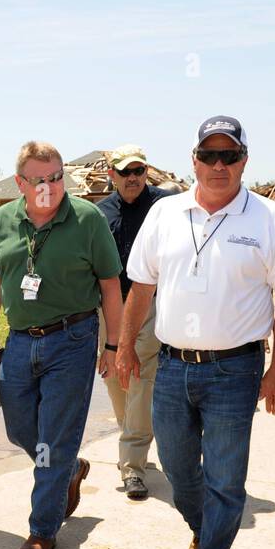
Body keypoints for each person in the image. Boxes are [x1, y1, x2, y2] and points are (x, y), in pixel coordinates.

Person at [118, 116, 275, 549]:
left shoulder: (270, 219)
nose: (218, 165)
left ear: (244, 160)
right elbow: (141, 286)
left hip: (236, 370)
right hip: (173, 367)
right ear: (193, 160)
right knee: (179, 471)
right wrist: (124, 345)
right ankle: (208, 531)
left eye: (229, 156)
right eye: (209, 156)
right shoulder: (165, 213)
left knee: (226, 476)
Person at [0, 141, 123, 549]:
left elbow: (111, 286)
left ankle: (42, 528)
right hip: (20, 339)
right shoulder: (2, 220)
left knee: (54, 440)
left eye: (57, 177)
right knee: (21, 430)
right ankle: (70, 469)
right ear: (21, 183)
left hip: (73, 339)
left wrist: (112, 344)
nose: (51, 186)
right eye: (40, 180)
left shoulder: (88, 219)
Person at [95, 144, 176, 501]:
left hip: (149, 305)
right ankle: (134, 440)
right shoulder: (99, 214)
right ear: (112, 174)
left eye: (139, 171)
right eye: (125, 172)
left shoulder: (165, 206)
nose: (133, 178)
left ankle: (132, 466)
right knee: (115, 377)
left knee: (140, 380)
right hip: (109, 309)